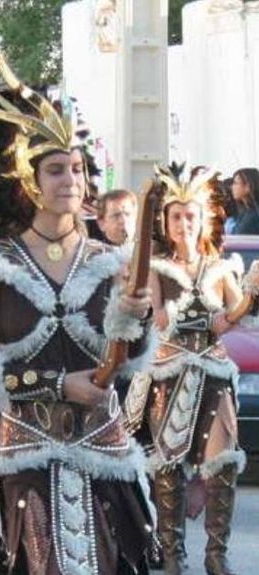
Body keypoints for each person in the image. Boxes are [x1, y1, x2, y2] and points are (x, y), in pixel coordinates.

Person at [0, 55, 156, 574]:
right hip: (28, 455)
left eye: (77, 169)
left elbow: (125, 363)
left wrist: (137, 322)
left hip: (105, 449)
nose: (71, 180)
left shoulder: (110, 262)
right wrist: (60, 385)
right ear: (28, 177)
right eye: (56, 169)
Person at [124, 164, 259, 575]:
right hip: (169, 373)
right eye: (176, 215)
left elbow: (226, 321)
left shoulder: (219, 267)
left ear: (203, 219)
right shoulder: (159, 267)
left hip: (214, 372)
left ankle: (216, 555)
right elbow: (160, 320)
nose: (184, 223)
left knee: (222, 463)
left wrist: (251, 293)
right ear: (165, 221)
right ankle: (172, 555)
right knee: (168, 467)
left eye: (191, 215)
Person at [227, 167, 259, 234]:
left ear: (248, 187)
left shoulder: (253, 216)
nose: (232, 187)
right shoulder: (245, 213)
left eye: (235, 183)